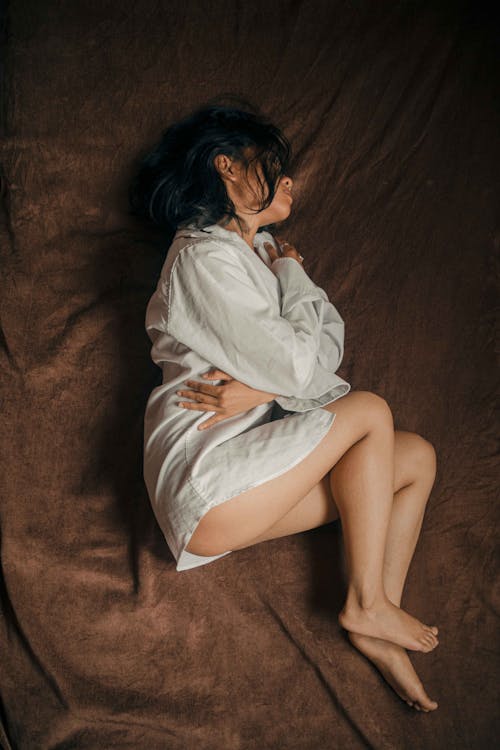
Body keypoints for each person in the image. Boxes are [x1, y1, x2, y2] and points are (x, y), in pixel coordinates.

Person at [128, 99, 439, 712]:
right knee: (370, 411)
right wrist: (282, 377)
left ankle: (372, 616)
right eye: (272, 164)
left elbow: (328, 346)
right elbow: (305, 366)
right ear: (227, 168)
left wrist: (289, 283)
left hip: (246, 484)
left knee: (415, 459)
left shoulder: (264, 258)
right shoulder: (201, 256)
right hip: (208, 476)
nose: (289, 178)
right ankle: (367, 603)